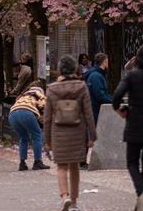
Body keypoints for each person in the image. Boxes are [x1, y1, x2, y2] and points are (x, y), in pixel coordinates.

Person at [44, 55, 97, 211]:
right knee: (74, 167)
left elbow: (47, 118)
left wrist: (47, 140)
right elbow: (88, 114)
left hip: (58, 133)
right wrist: (92, 136)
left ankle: (64, 196)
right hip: (77, 133)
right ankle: (73, 202)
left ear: (60, 69)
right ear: (74, 68)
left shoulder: (52, 89)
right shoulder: (81, 87)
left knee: (61, 167)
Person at [111, 45, 143, 197]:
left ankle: (142, 193)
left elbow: (116, 96)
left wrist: (121, 110)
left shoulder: (132, 76)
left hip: (134, 125)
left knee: (132, 162)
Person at [9, 80, 50, 171]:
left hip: (12, 114)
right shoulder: (39, 94)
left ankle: (22, 163)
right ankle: (37, 162)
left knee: (23, 138)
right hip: (27, 113)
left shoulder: (23, 95)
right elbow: (45, 110)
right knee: (37, 135)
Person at [84, 52, 111, 126]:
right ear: (104, 62)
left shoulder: (96, 74)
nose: (108, 64)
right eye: (107, 61)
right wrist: (112, 101)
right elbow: (100, 95)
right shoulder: (96, 76)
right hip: (96, 111)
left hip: (95, 110)